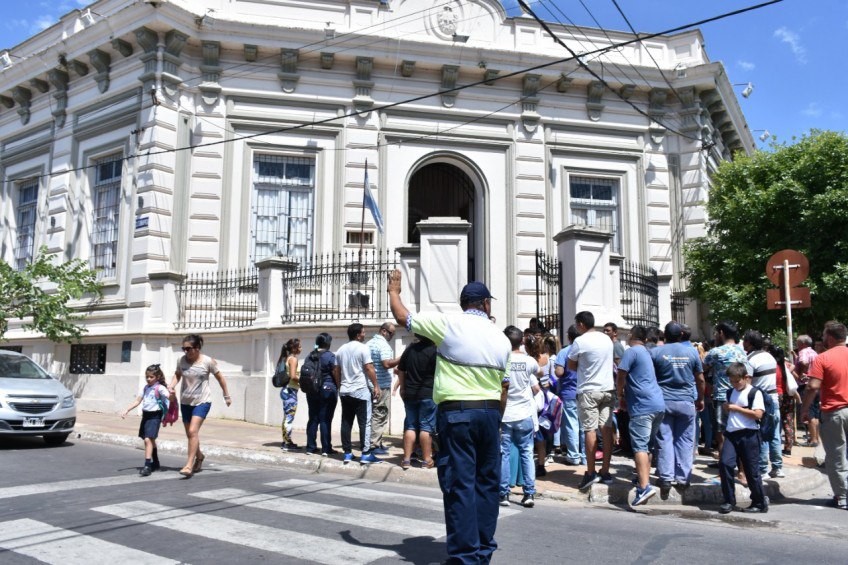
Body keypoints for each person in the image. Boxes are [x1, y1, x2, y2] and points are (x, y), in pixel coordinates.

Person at [388, 270, 510, 565]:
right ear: (486, 305)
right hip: (491, 414)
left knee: (460, 486)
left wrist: (393, 291)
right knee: (487, 485)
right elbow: (504, 388)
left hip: (458, 415)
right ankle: (482, 552)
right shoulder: (501, 337)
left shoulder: (450, 324)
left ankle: (465, 558)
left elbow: (405, 318)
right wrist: (495, 418)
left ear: (464, 303)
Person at [168, 334, 231, 478]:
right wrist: (171, 386)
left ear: (197, 348)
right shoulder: (181, 360)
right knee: (190, 434)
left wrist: (226, 395)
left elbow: (220, 378)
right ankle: (200, 456)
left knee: (192, 431)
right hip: (185, 401)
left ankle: (189, 465)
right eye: (183, 348)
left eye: (188, 348)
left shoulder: (207, 361)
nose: (185, 351)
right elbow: (178, 374)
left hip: (202, 401)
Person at [651, 322, 705, 489]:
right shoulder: (692, 352)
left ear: (664, 336)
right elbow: (701, 379)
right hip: (686, 401)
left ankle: (666, 477)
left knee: (664, 439)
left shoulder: (656, 352)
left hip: (664, 401)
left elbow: (650, 378)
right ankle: (683, 478)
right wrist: (700, 398)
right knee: (685, 440)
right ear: (681, 335)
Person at [617, 325, 666, 505]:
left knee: (639, 447)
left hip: (642, 406)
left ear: (631, 335)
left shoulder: (632, 352)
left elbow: (621, 375)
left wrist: (619, 393)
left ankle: (644, 487)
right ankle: (643, 479)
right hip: (657, 404)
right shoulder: (646, 352)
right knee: (648, 446)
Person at [567, 311, 616, 491]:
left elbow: (571, 365)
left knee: (590, 429)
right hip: (607, 389)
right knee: (607, 428)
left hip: (588, 390)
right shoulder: (606, 339)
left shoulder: (580, 341)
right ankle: (605, 470)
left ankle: (590, 471)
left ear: (580, 324)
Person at [802, 321, 848, 509]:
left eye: (823, 335)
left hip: (834, 411)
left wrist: (804, 409)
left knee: (836, 455)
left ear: (830, 337)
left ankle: (843, 497)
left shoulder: (822, 358)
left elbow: (813, 386)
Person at [500, 326, 542, 508]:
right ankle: (529, 493)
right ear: (522, 341)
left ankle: (503, 494)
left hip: (506, 413)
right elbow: (539, 372)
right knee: (526, 452)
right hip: (524, 413)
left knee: (504, 454)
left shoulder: (501, 360)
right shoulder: (529, 361)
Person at [718, 362, 768, 514]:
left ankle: (759, 502)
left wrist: (737, 409)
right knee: (725, 464)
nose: (734, 384)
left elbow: (758, 414)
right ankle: (728, 500)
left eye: (737, 381)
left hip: (749, 434)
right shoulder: (730, 392)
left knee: (751, 470)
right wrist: (728, 408)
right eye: (731, 381)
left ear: (746, 377)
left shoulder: (754, 393)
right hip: (732, 434)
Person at [336, 323, 382, 465]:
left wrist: (340, 386)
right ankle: (366, 453)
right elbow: (369, 368)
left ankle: (347, 453)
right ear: (357, 335)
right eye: (363, 332)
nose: (364, 334)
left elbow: (336, 371)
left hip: (345, 391)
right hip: (360, 391)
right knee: (365, 423)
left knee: (346, 422)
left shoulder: (340, 349)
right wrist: (376, 385)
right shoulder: (363, 348)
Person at [703, 321, 748, 456]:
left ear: (721, 333)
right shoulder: (742, 351)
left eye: (717, 332)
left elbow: (702, 368)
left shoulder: (716, 352)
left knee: (721, 434)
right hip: (740, 396)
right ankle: (740, 470)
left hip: (722, 397)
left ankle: (724, 467)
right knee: (739, 431)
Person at [743, 330, 783, 478]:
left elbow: (747, 383)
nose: (743, 344)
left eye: (745, 341)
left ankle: (763, 468)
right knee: (774, 434)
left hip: (760, 399)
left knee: (762, 434)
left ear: (750, 343)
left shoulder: (750, 360)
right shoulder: (769, 356)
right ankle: (778, 467)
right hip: (773, 398)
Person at [121, 364, 171, 476]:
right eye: (147, 376)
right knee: (150, 440)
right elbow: (138, 401)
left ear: (157, 377)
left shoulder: (160, 388)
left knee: (148, 440)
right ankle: (156, 463)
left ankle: (147, 465)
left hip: (155, 416)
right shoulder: (146, 388)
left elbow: (169, 397)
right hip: (146, 416)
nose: (148, 379)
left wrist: (172, 394)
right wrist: (127, 410)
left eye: (151, 377)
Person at [397, 334, 437, 469]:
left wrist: (402, 388)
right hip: (428, 394)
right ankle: (427, 460)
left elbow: (400, 370)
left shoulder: (410, 349)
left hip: (410, 394)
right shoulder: (435, 351)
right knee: (426, 427)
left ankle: (407, 459)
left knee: (410, 426)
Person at [367, 322, 400, 454]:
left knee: (372, 414)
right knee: (380, 414)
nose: (392, 336)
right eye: (391, 333)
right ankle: (374, 445)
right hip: (381, 385)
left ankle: (376, 442)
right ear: (384, 331)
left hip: (370, 383)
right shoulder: (383, 345)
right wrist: (400, 359)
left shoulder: (369, 344)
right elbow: (386, 364)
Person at [554, 324, 585, 465]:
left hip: (569, 392)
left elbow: (559, 372)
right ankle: (585, 456)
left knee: (572, 424)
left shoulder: (564, 351)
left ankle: (574, 456)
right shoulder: (586, 351)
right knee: (585, 426)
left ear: (569, 336)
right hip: (585, 392)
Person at [304, 333, 339, 456]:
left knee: (313, 418)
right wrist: (339, 385)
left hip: (312, 390)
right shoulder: (329, 356)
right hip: (327, 390)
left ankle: (310, 447)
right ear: (328, 343)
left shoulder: (310, 356)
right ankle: (326, 448)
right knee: (325, 419)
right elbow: (335, 372)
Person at [276, 338, 302, 452]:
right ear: (294, 348)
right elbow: (292, 376)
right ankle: (287, 443)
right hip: (291, 391)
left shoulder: (287, 358)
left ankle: (285, 440)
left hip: (287, 390)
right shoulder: (293, 359)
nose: (301, 348)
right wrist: (302, 381)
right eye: (299, 346)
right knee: (289, 417)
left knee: (287, 416)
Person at [794, 334, 820, 447]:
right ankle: (815, 437)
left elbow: (804, 362)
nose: (797, 345)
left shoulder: (804, 352)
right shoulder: (814, 353)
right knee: (814, 413)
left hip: (806, 385)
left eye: (798, 343)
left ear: (803, 343)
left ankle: (814, 440)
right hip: (816, 384)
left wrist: (802, 372)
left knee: (809, 412)